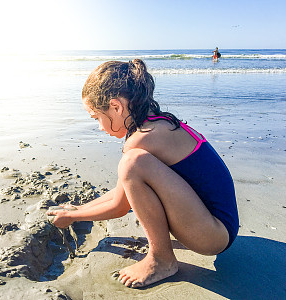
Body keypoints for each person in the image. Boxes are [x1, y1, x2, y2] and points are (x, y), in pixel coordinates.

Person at [47, 59, 239, 289]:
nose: (99, 126)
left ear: (116, 107)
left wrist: (75, 217)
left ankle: (162, 260)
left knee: (131, 163)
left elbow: (120, 206)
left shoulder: (142, 139)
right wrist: (79, 209)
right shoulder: (157, 123)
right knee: (132, 166)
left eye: (97, 117)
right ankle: (162, 256)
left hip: (212, 235)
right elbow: (124, 190)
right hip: (218, 226)